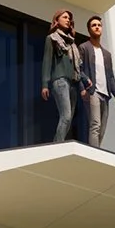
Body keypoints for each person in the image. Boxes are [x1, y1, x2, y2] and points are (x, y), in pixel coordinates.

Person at [77, 14, 115, 151]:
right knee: (95, 124)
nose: (97, 27)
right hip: (92, 91)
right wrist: (83, 88)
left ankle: (97, 150)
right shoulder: (83, 48)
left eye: (99, 25)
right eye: (94, 25)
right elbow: (78, 69)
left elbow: (110, 75)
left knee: (102, 128)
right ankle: (94, 152)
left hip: (105, 94)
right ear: (89, 30)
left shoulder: (107, 54)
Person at [40, 9, 80, 143]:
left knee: (69, 118)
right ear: (57, 20)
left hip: (73, 83)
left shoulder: (72, 43)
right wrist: (45, 84)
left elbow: (77, 66)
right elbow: (47, 61)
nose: (68, 20)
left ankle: (58, 142)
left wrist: (85, 81)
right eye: (65, 17)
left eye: (69, 18)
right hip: (60, 80)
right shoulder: (52, 39)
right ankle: (57, 145)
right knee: (66, 116)